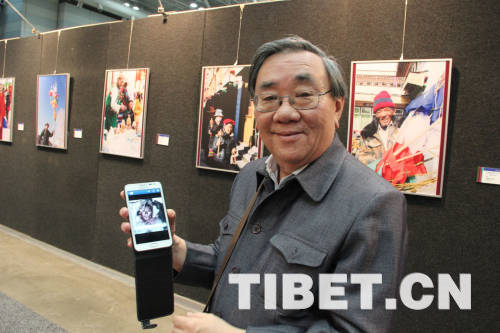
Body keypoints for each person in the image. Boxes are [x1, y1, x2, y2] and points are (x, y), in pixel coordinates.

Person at [120, 36, 407, 333]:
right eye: (269, 98)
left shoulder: (373, 203)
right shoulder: (252, 175)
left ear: (336, 107)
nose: (284, 113)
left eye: (304, 94)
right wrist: (179, 253)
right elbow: (233, 264)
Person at [355, 90, 400, 167]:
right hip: (376, 175)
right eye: (379, 111)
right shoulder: (367, 134)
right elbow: (360, 157)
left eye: (387, 110)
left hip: (399, 175)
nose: (383, 115)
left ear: (393, 111)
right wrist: (382, 163)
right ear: (375, 114)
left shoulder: (401, 129)